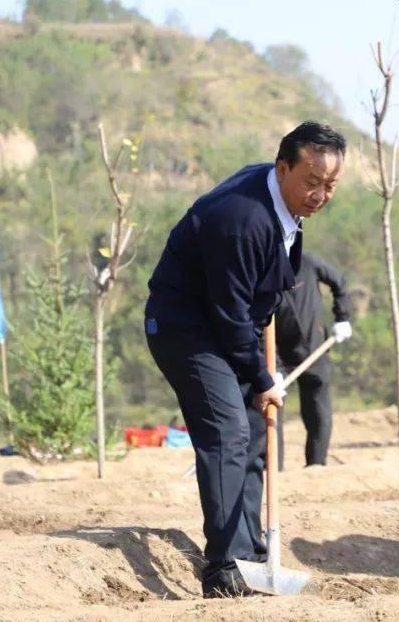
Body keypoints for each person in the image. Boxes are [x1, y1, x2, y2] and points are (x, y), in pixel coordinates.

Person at [144, 121, 346, 597]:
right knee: (227, 430)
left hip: (226, 326)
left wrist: (261, 376)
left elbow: (255, 299)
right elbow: (228, 312)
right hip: (186, 329)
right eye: (311, 182)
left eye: (330, 185)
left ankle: (251, 552)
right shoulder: (242, 219)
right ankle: (223, 569)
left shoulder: (278, 200)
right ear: (283, 168)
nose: (320, 194)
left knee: (255, 427)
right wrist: (260, 375)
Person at [275, 251, 352, 468]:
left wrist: (343, 317)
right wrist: (266, 367)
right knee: (271, 408)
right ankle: (272, 470)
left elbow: (339, 282)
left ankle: (317, 465)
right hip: (278, 355)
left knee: (317, 409)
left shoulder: (307, 262)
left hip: (315, 348)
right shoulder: (260, 272)